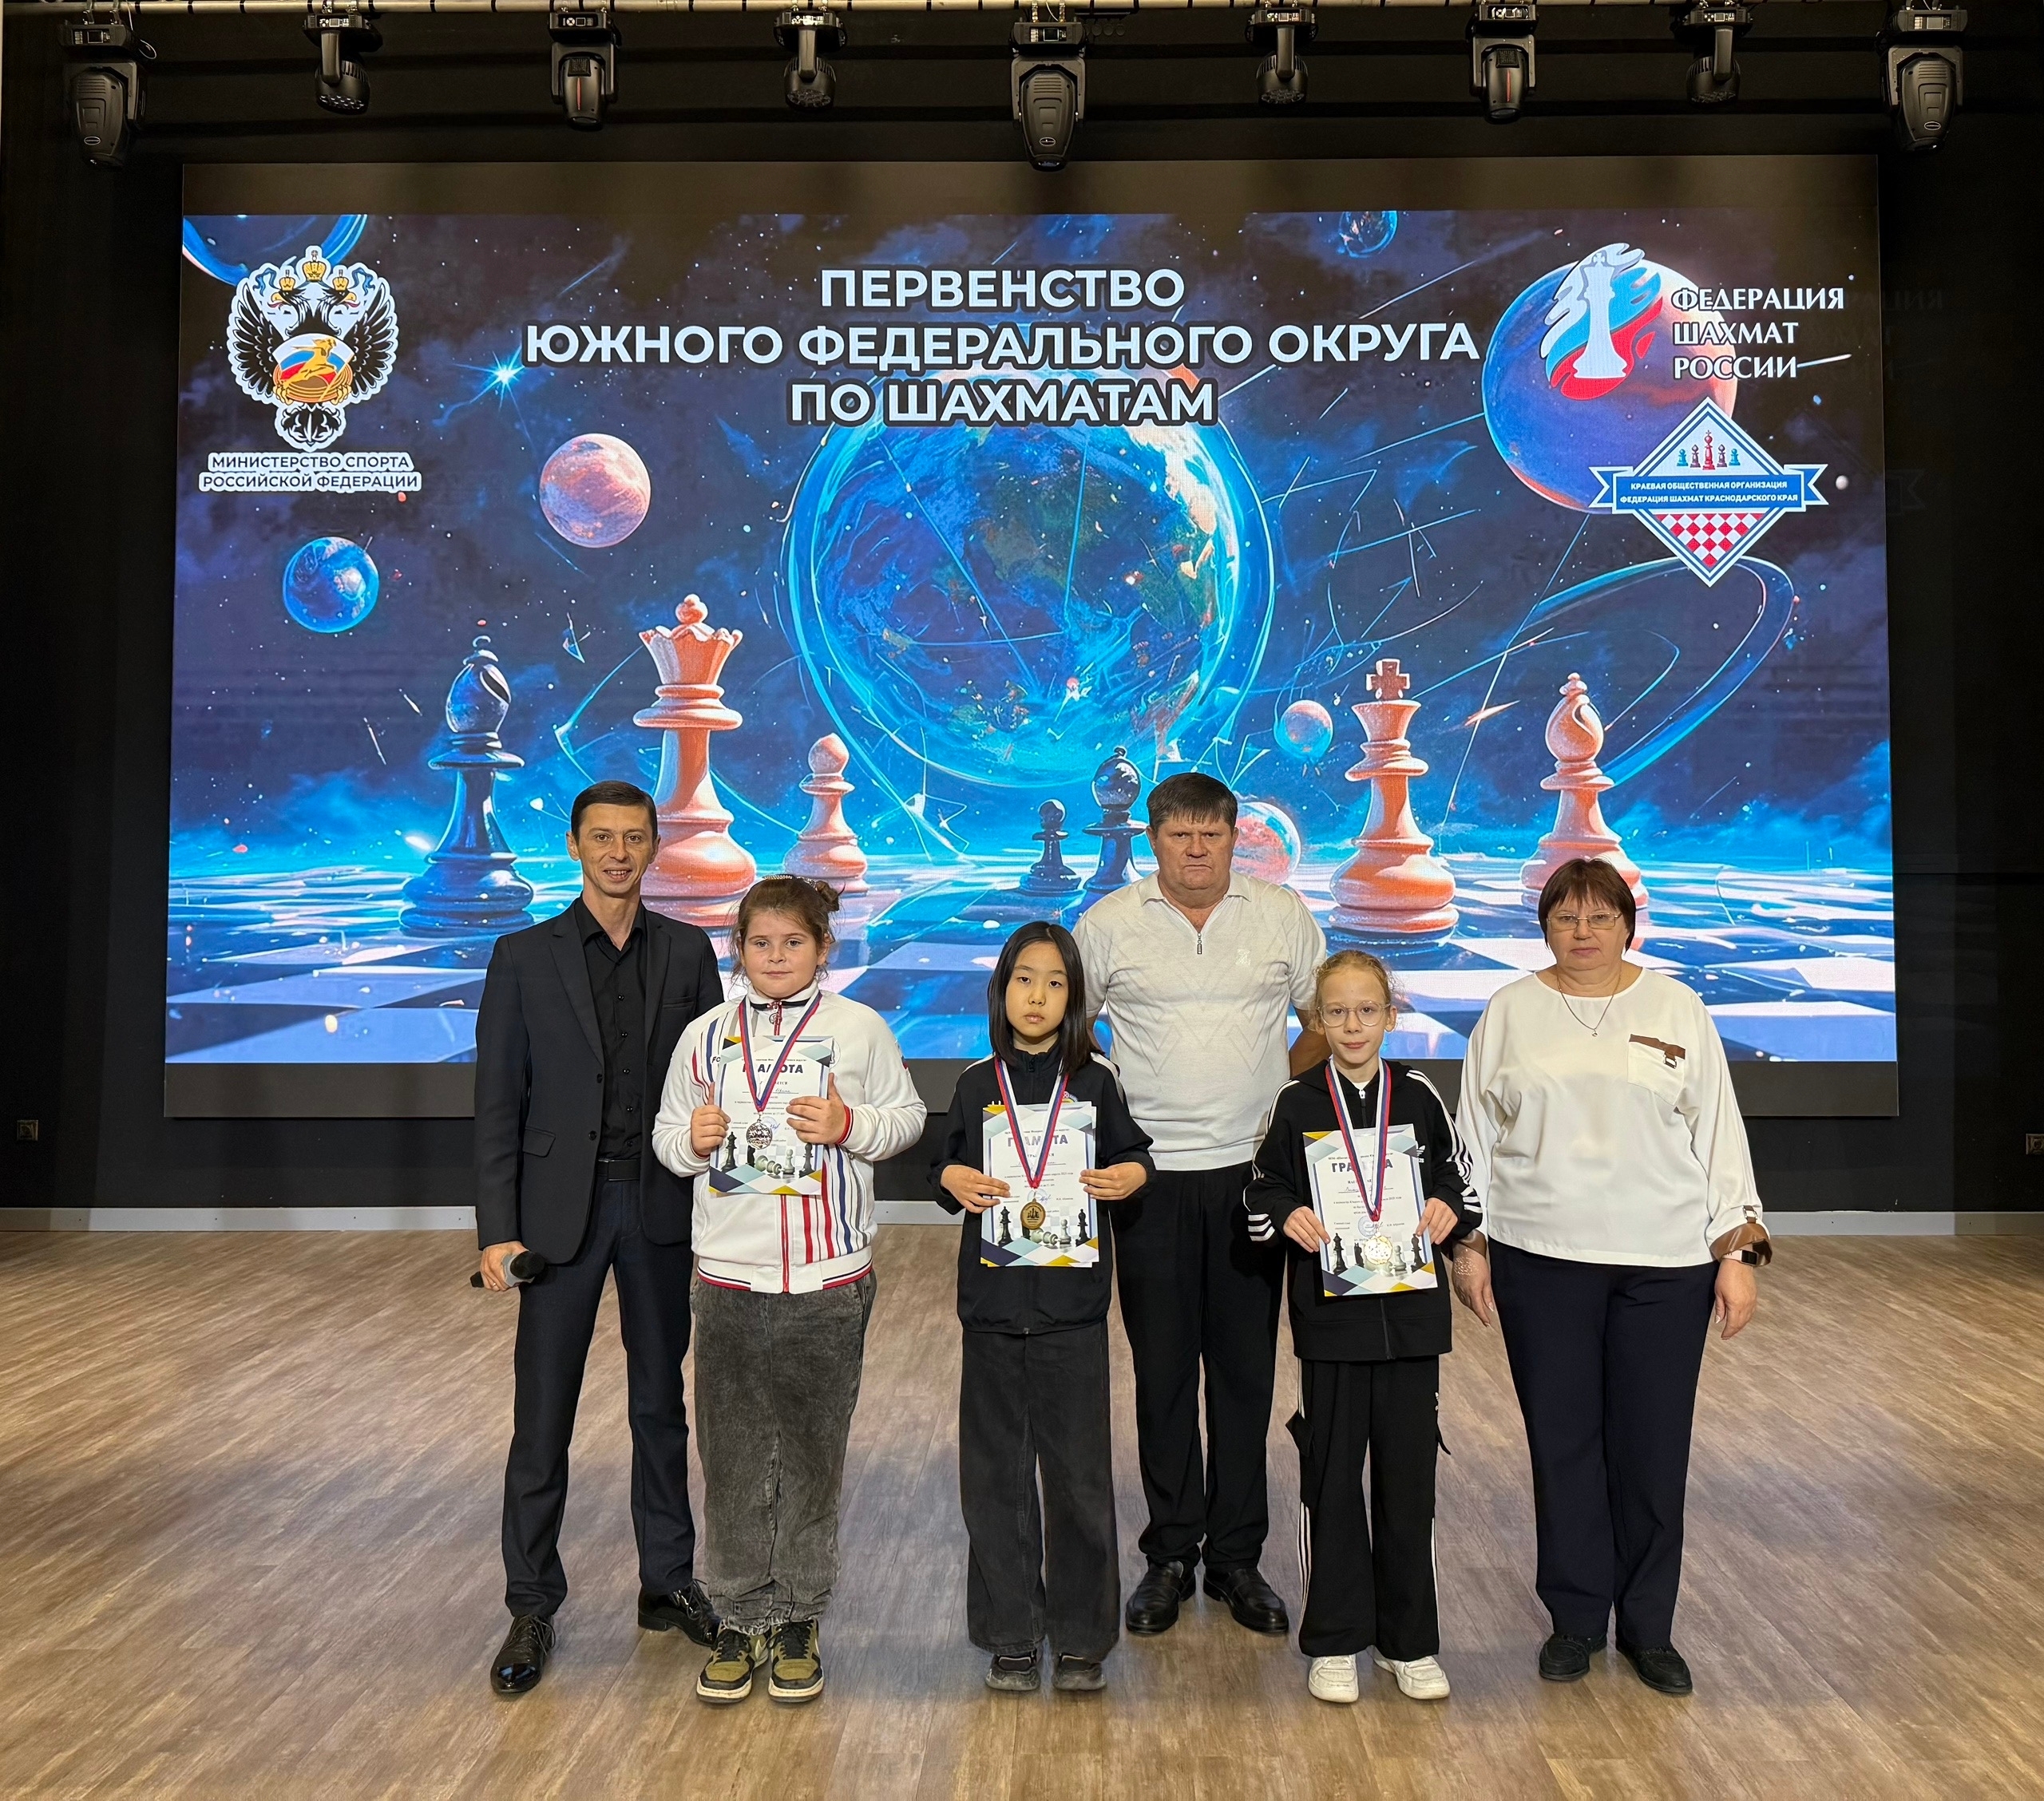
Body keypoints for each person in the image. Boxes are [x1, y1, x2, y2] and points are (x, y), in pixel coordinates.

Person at [1452, 857, 1769, 1698]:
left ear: (1629, 925)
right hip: (1540, 1256)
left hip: (1666, 1264)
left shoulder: (1676, 1006)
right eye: (1565, 918)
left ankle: (1649, 1629)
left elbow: (1719, 1133)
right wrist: (1470, 1245)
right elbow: (1472, 1137)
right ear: (1544, 928)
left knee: (1652, 1451)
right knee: (1562, 1445)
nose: (1583, 932)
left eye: (1600, 917)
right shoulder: (1510, 1010)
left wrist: (1735, 1255)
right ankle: (1576, 1619)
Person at [473, 780, 727, 1697]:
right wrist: (497, 1231)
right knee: (542, 1416)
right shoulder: (522, 956)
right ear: (575, 846)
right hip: (557, 1219)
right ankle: (531, 1603)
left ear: (653, 846)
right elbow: (497, 1103)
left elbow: (714, 1086)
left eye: (633, 837)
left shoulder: (689, 951)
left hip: (658, 1206)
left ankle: (667, 1582)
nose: (618, 853)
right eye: (602, 838)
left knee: (661, 1406)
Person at [652, 876, 925, 1707]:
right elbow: (666, 1136)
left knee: (812, 1453)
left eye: (793, 942)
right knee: (732, 1456)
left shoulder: (858, 1028)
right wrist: (691, 1140)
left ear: (822, 948)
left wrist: (850, 1126)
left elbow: (907, 1118)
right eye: (760, 943)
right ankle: (741, 1615)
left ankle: (801, 1614)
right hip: (727, 1278)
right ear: (737, 950)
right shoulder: (705, 1036)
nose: (776, 957)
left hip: (827, 1280)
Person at [1072, 772, 1328, 1638]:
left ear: (1233, 836)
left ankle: (1238, 1559)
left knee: (1246, 1373)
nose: (1195, 849)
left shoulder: (1279, 914)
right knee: (1164, 1372)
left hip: (1252, 1176)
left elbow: (1326, 1017)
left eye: (1210, 834)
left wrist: (1275, 1088)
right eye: (1178, 834)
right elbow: (1072, 1028)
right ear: (1152, 840)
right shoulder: (1109, 923)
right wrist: (1118, 1107)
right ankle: (1171, 1553)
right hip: (1150, 1178)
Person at [1246, 952, 1480, 1705]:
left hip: (1412, 1323)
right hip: (1333, 1323)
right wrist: (1287, 1213)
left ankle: (1409, 1643)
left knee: (1410, 1485)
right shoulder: (1295, 1102)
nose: (1353, 1025)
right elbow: (1260, 1193)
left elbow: (1461, 1184)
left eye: (1367, 1010)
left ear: (1391, 1015)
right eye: (1338, 1012)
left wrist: (1446, 1209)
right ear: (1317, 1019)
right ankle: (1336, 1639)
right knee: (1331, 1480)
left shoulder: (1419, 1094)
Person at [933, 922, 1155, 1696]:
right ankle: (1011, 1635)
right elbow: (946, 1165)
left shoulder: (1096, 1082)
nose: (1038, 996)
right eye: (1024, 980)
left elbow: (1134, 1154)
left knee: (1079, 1481)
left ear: (1076, 999)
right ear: (1001, 991)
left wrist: (1133, 1175)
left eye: (1055, 983)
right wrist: (951, 1178)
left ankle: (1083, 1638)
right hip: (992, 1313)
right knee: (994, 1481)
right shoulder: (974, 1084)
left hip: (1071, 1313)